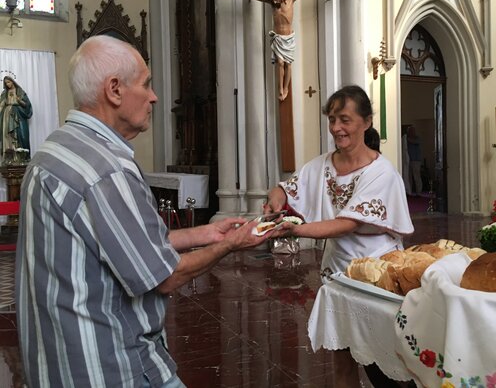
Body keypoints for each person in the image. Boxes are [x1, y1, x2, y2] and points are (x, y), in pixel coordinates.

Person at [15, 35, 289, 388]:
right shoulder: (106, 169)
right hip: (108, 362)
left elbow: (120, 242)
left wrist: (205, 233)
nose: (154, 97)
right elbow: (163, 276)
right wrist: (231, 244)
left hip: (55, 357)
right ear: (114, 89)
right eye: (146, 84)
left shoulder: (54, 150)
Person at [263, 85, 414, 387]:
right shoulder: (321, 165)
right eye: (332, 119)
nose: (336, 128)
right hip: (337, 275)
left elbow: (348, 224)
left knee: (383, 359)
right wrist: (276, 199)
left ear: (366, 122)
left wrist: (296, 229)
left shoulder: (381, 172)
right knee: (342, 354)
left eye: (345, 119)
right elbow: (286, 187)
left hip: (377, 277)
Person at [228, 0, 335, 101]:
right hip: (278, 39)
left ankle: (286, 88)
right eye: (272, 1)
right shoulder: (272, 3)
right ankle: (280, 88)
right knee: (280, 63)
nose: (274, 2)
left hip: (288, 38)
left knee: (288, 64)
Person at [0, 75, 33, 159]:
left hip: (18, 114)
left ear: (12, 81)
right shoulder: (4, 93)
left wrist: (19, 100)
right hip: (7, 115)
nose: (8, 84)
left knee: (20, 134)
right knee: (7, 135)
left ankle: (20, 156)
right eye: (6, 83)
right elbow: (1, 105)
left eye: (9, 82)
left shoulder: (20, 91)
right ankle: (9, 157)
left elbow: (27, 105)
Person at [407, 124, 423, 195]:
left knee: (417, 176)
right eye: (409, 131)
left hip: (416, 160)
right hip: (408, 160)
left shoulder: (417, 138)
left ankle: (419, 192)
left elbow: (414, 142)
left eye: (412, 131)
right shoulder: (406, 140)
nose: (411, 132)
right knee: (409, 177)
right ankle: (409, 191)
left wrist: (407, 139)